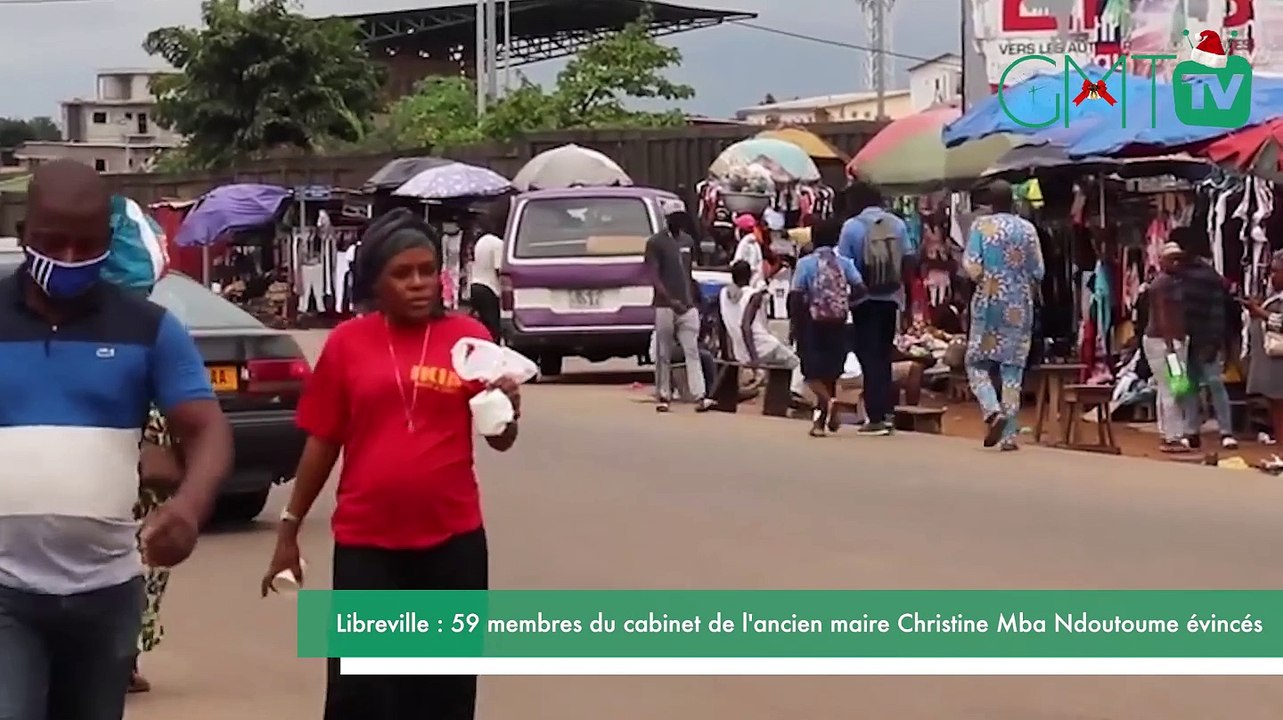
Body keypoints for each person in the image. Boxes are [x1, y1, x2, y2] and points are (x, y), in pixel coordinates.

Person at [260, 208, 521, 720]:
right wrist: (289, 528)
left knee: (444, 692)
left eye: (427, 270)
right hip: (368, 547)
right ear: (375, 282)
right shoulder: (347, 344)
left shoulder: (469, 338)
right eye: (402, 274)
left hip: (453, 545)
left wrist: (508, 410)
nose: (419, 283)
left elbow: (500, 440)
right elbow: (323, 441)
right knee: (363, 693)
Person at [0, 160, 233, 720]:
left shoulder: (149, 327)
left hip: (105, 594)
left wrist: (189, 508)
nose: (70, 258)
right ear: (24, 234)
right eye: (53, 243)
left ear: (108, 241)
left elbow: (207, 429)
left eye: (86, 245)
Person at [961, 180, 1045, 451]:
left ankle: (991, 410)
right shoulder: (1028, 229)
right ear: (1013, 201)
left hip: (989, 301)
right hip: (1019, 305)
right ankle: (1009, 436)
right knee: (1012, 368)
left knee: (976, 362)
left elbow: (972, 266)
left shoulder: (981, 226)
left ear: (990, 202)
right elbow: (1038, 271)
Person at [838, 180, 917, 436]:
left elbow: (844, 265)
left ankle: (875, 416)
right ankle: (887, 412)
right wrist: (904, 297)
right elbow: (909, 260)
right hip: (891, 299)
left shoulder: (851, 227)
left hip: (864, 301)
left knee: (868, 356)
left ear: (857, 201)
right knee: (883, 354)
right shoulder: (897, 224)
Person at [792, 217, 865, 436]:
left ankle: (828, 405)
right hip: (839, 323)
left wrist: (796, 325)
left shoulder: (805, 264)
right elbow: (860, 288)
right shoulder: (844, 263)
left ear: (813, 238)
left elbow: (796, 296)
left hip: (812, 323)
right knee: (830, 374)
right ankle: (819, 423)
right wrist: (847, 303)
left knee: (810, 372)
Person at [1171, 228, 1237, 449]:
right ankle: (1191, 431)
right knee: (1185, 385)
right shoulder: (1172, 278)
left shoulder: (1206, 277)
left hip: (1202, 339)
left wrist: (1214, 341)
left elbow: (1217, 311)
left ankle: (1225, 431)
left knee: (1213, 383)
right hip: (1179, 342)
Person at [646, 205, 713, 413]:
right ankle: (663, 395)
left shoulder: (687, 241)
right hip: (665, 305)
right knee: (663, 352)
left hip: (687, 305)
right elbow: (654, 275)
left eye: (681, 217)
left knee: (691, 350)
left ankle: (700, 395)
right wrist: (669, 299)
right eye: (675, 217)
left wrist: (694, 299)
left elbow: (689, 272)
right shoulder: (655, 242)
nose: (679, 221)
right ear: (667, 218)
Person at [1143, 242, 1198, 454]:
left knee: (1166, 388)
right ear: (1162, 261)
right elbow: (1162, 315)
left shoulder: (1172, 281)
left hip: (1167, 341)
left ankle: (1167, 432)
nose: (1176, 262)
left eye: (1178, 258)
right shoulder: (1162, 284)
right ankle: (1172, 437)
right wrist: (1170, 347)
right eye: (1172, 258)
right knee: (1173, 389)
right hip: (1164, 342)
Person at [719, 260, 799, 368]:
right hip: (762, 347)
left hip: (740, 354)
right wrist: (754, 359)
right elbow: (745, 326)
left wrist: (726, 355)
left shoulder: (723, 294)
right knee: (795, 363)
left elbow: (721, 325)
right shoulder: (754, 295)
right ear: (749, 276)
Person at [1243, 250, 1283, 445]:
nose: (1271, 276)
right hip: (1272, 363)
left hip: (1279, 362)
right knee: (1277, 406)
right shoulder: (1275, 296)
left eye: (1276, 271)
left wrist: (1260, 312)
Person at [468, 208, 505, 342]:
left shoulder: (481, 241)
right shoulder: (498, 244)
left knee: (482, 325)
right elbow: (498, 269)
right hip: (490, 289)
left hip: (475, 285)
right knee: (494, 327)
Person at [732, 213, 765, 287]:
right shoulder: (752, 243)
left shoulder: (746, 242)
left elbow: (739, 263)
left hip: (750, 284)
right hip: (755, 282)